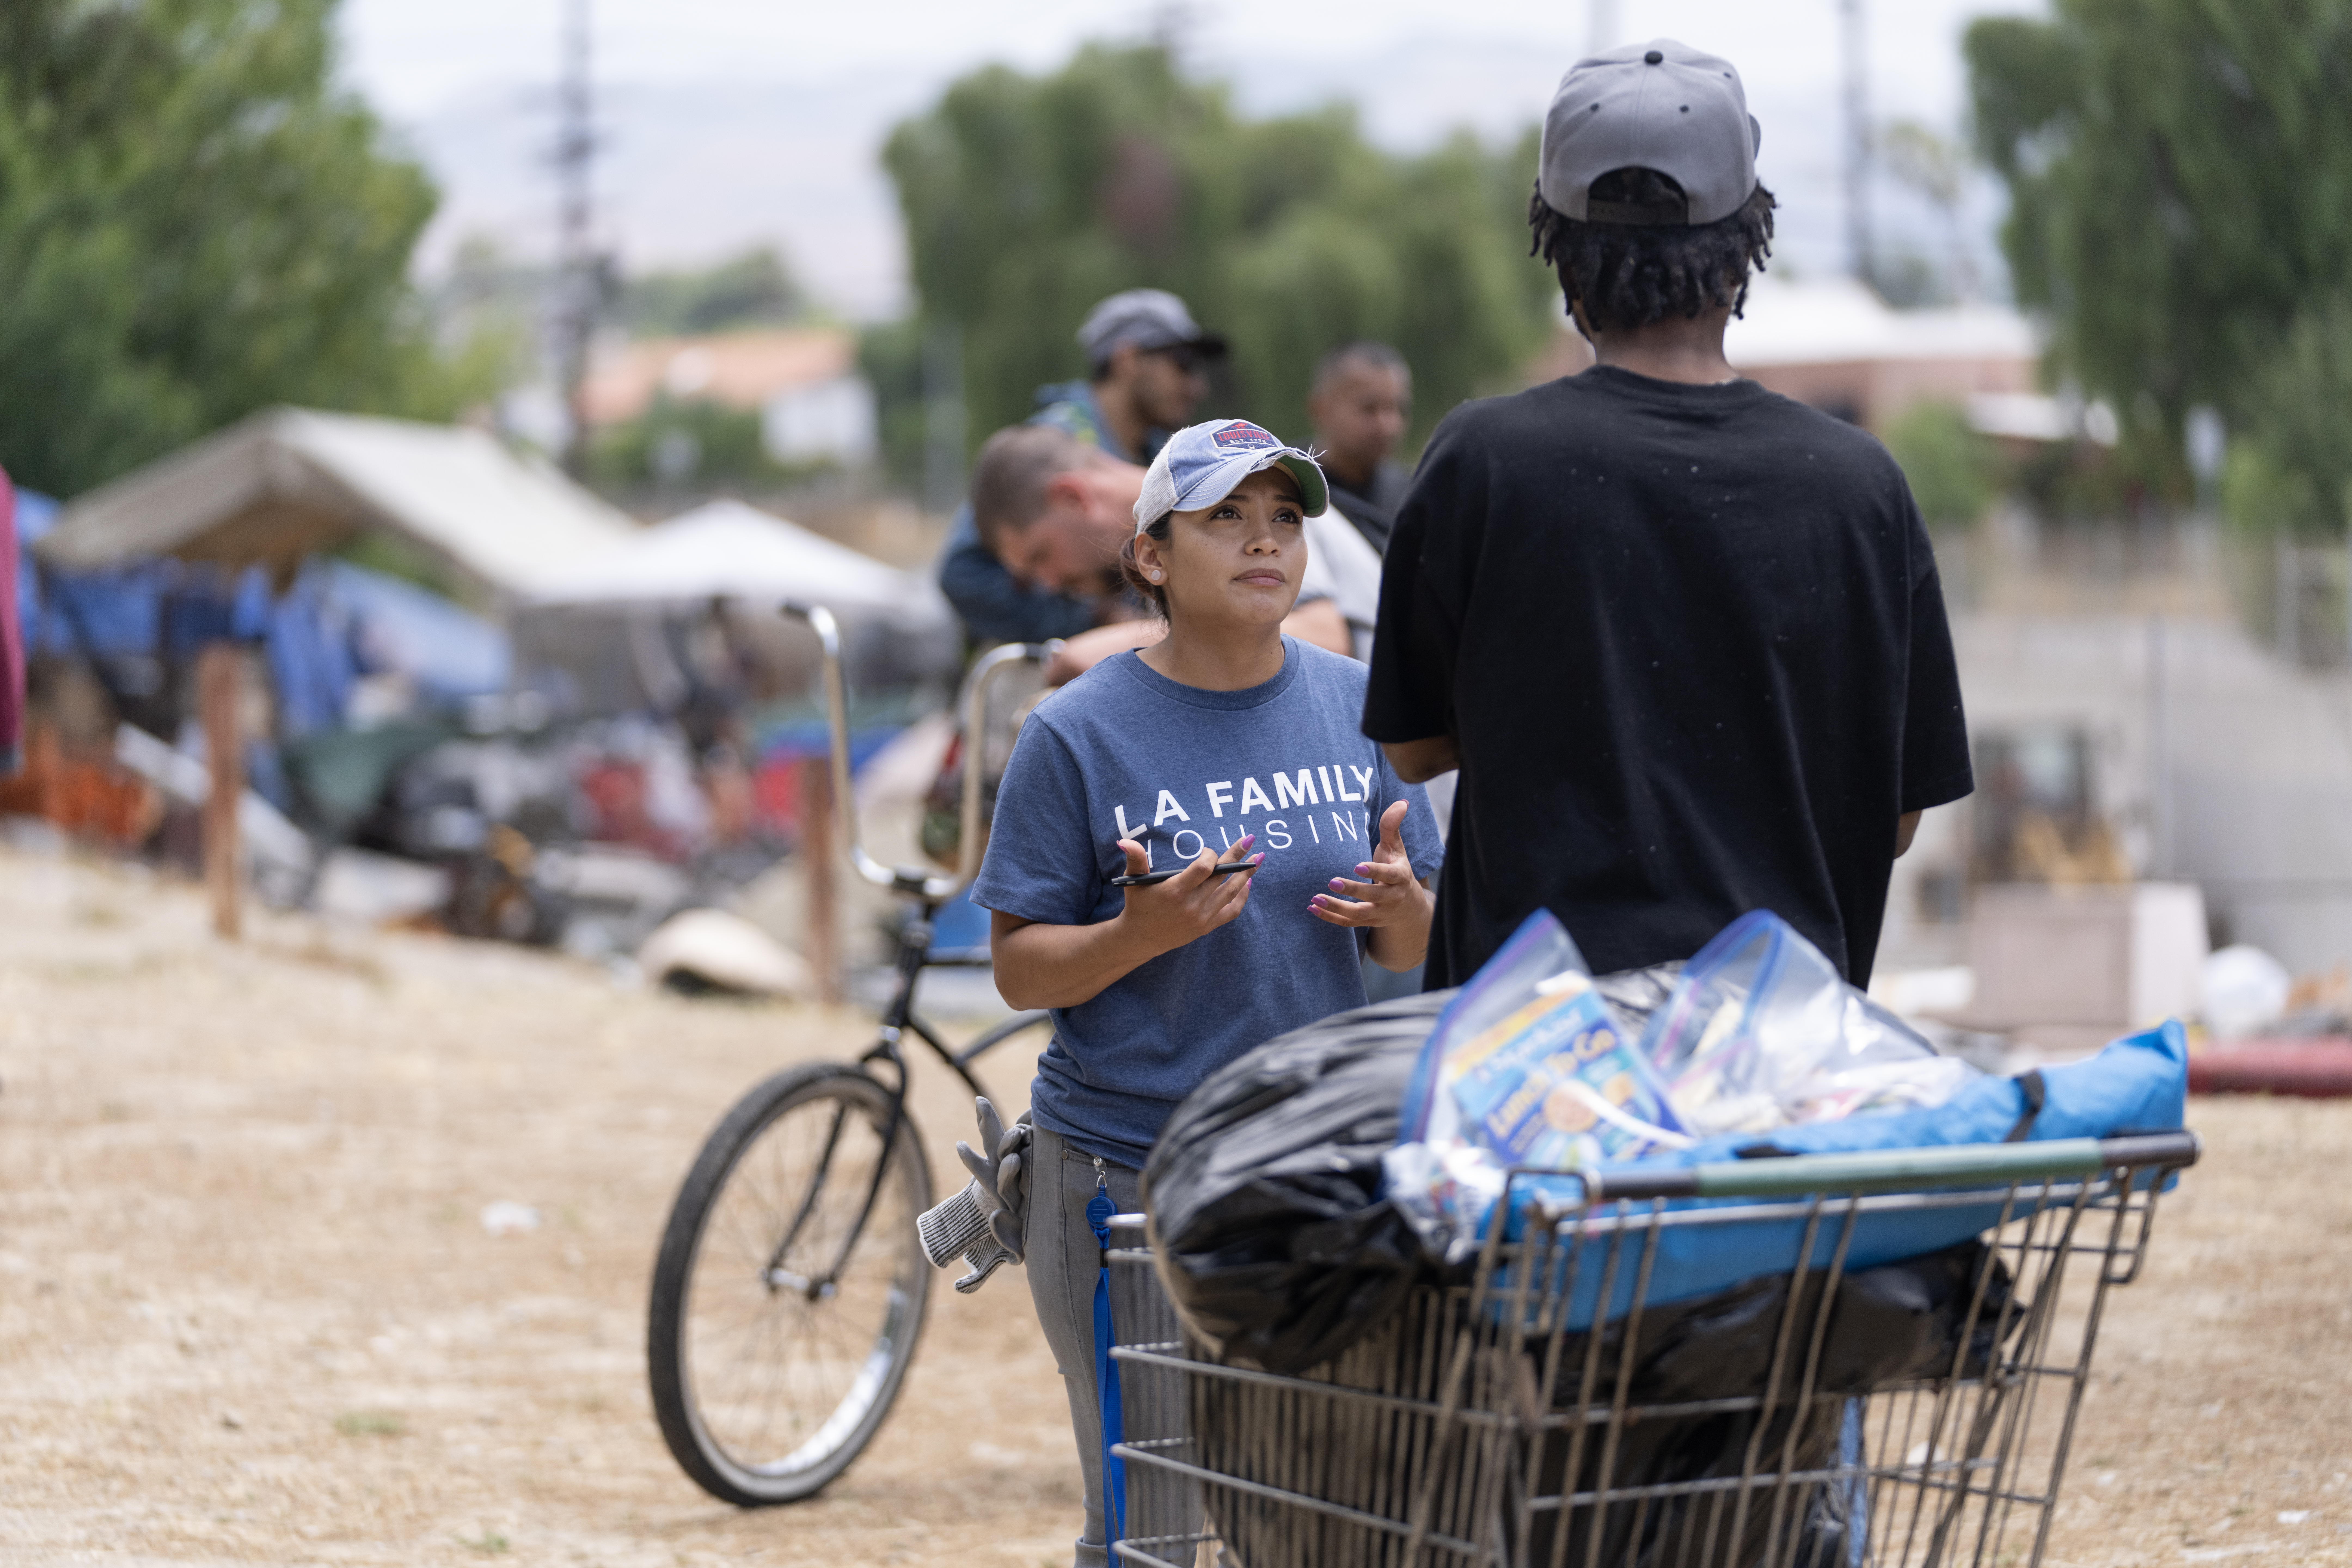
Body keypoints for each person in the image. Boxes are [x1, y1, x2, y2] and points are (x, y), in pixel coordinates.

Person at [1364, 38, 1973, 993]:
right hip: (1778, 1066)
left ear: (1559, 252)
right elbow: (1893, 819)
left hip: (1532, 1074)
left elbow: (1412, 747)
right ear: (1745, 248)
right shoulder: (1860, 487)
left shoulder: (1482, 461)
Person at [969, 418, 1444, 1568]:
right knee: (1153, 1533)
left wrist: (1406, 913)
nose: (1262, 541)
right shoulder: (1075, 735)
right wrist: (1138, 935)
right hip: (1126, 1179)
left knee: (1320, 1525)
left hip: (1314, 1173)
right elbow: (1019, 963)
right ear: (1148, 556)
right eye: (1224, 517)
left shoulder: (1359, 703)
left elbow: (1406, 955)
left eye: (1282, 518)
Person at [936, 289, 1223, 645]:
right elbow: (963, 573)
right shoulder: (1050, 451)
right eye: (1183, 363)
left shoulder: (1156, 456)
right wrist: (1090, 623)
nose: (1196, 385)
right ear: (1127, 359)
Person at [965, 420, 1358, 678]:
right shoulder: (1177, 561)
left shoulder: (1251, 478)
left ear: (1071, 498)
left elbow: (1325, 635)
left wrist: (1124, 647)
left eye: (1040, 557)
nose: (1049, 584)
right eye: (1226, 513)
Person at [1306, 341, 1414, 555]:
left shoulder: (1411, 494)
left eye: (1397, 408)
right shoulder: (1290, 488)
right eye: (1369, 408)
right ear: (1322, 410)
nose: (1388, 426)